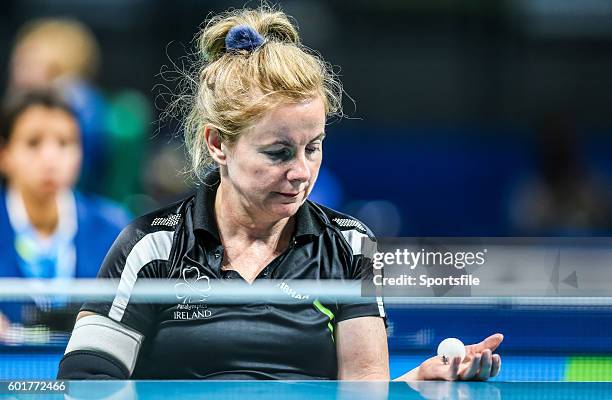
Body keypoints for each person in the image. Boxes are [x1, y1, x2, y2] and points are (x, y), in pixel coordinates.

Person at [58, 6, 502, 380]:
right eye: (278, 153)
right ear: (218, 144)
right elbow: (84, 383)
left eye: (314, 147)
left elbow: (365, 392)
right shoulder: (151, 246)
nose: (301, 172)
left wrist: (418, 382)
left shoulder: (348, 247)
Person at [0, 89, 130, 333]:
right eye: (33, 143)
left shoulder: (115, 229)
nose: (50, 158)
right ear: (4, 154)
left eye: (64, 143)